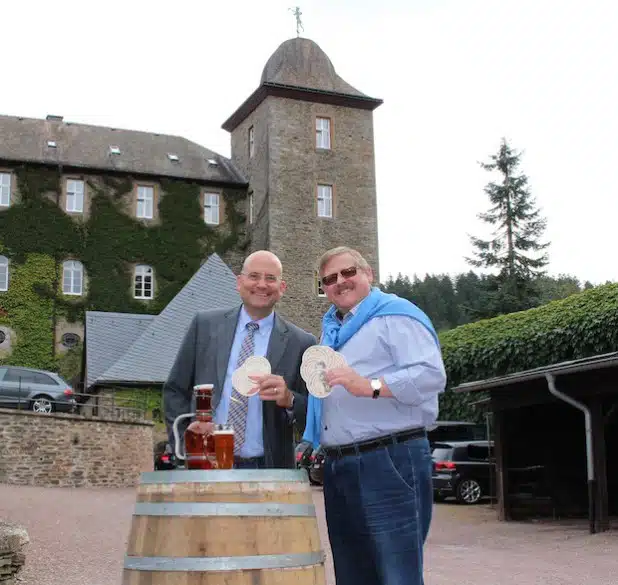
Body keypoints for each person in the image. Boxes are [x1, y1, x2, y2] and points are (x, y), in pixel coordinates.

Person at [303, 246, 446, 585]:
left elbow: (431, 375)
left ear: (369, 274)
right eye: (329, 279)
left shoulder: (396, 315)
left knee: (396, 575)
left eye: (348, 272)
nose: (340, 282)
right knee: (353, 575)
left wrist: (372, 385)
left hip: (389, 458)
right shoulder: (333, 330)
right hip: (340, 465)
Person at [164, 250, 316, 469]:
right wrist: (186, 447)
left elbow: (314, 412)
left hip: (268, 468)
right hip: (207, 461)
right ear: (239, 282)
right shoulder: (204, 326)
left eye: (270, 278)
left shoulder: (301, 342)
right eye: (254, 276)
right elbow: (175, 390)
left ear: (282, 288)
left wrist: (291, 399)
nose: (262, 285)